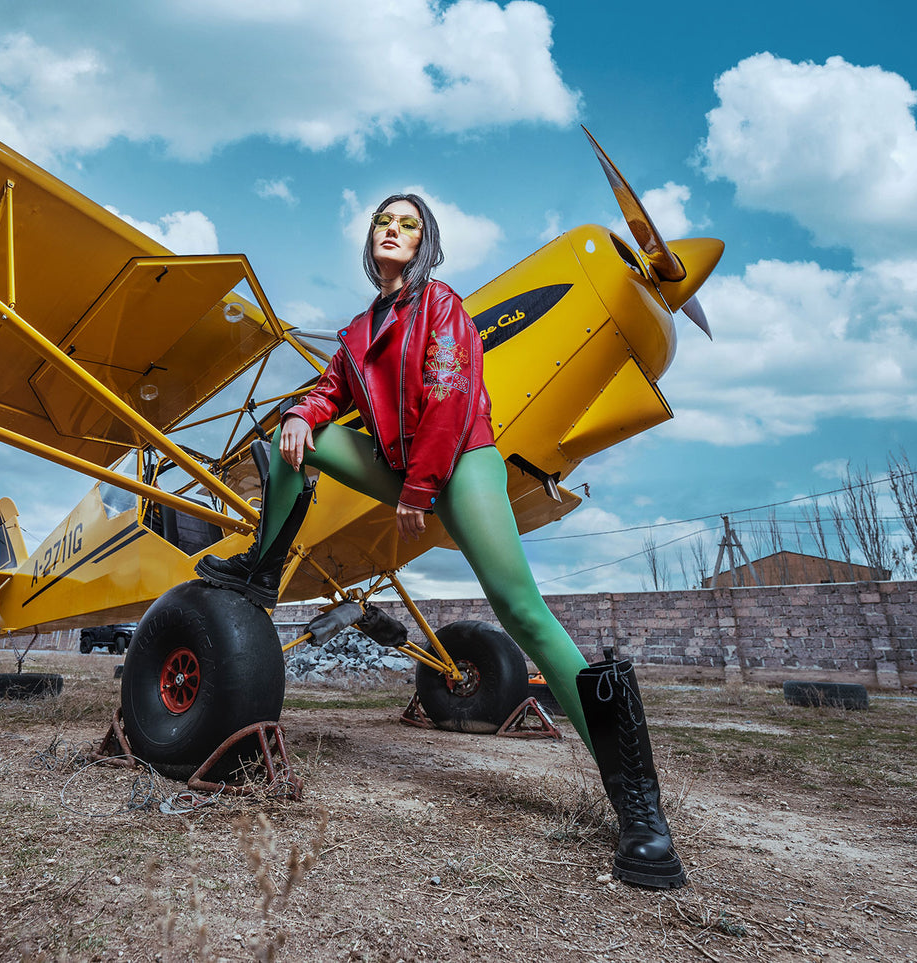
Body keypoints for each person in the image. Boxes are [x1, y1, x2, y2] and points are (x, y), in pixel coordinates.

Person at [197, 194, 686, 889]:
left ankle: (639, 810)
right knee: (286, 435)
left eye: (409, 224)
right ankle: (259, 570)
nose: (393, 231)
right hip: (402, 470)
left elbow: (451, 397)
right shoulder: (358, 332)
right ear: (370, 240)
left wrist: (420, 490)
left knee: (521, 610)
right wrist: (303, 414)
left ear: (424, 244)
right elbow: (327, 392)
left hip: (459, 462)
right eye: (383, 222)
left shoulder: (443, 306)